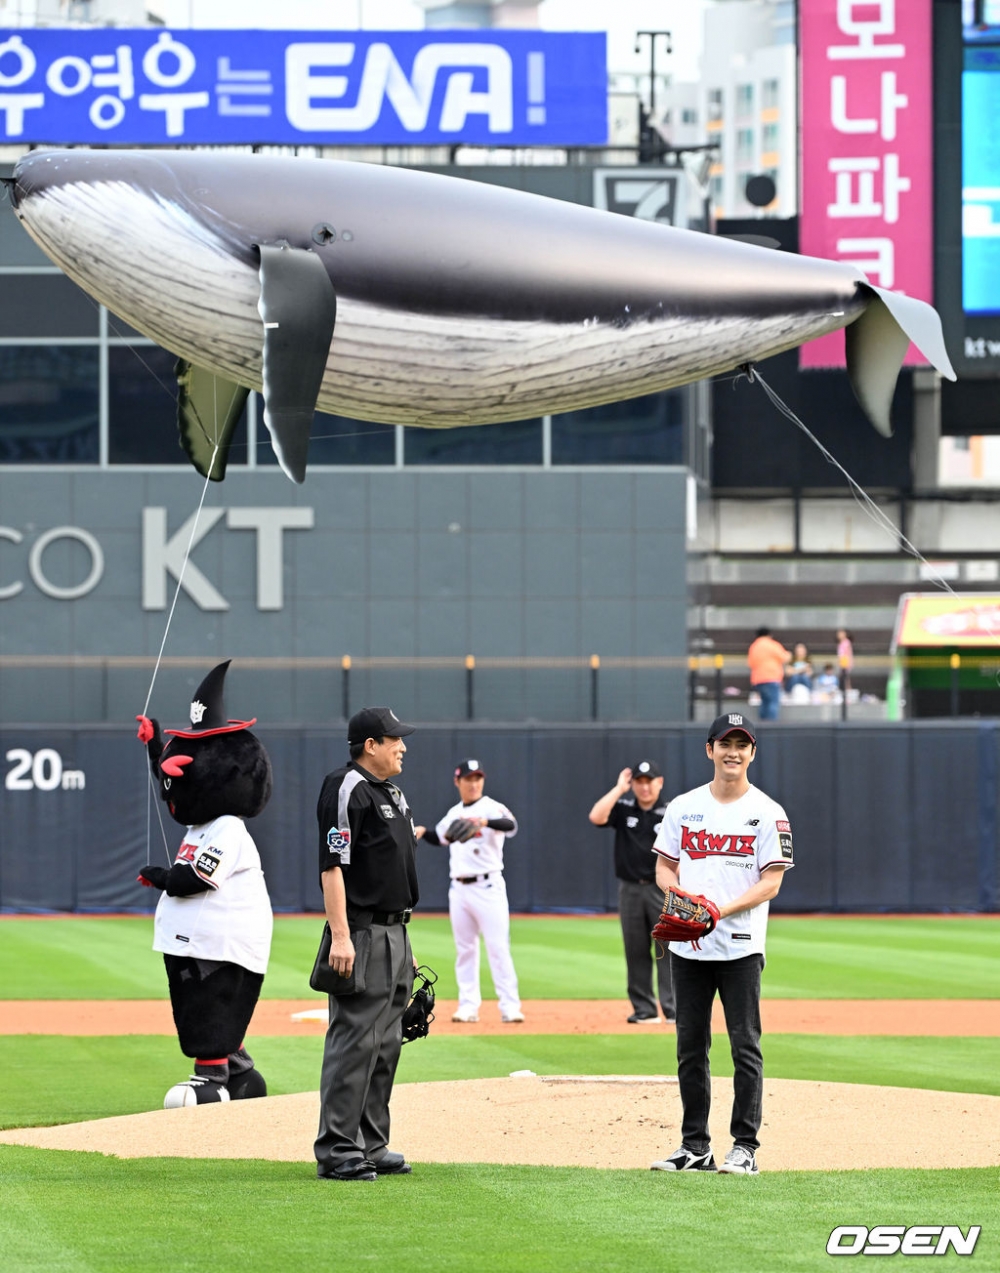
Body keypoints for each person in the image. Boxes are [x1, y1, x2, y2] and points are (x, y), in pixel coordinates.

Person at [649, 712, 793, 1176]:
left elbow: (772, 882)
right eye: (724, 743)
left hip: (741, 947)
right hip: (688, 948)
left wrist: (717, 911)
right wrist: (680, 899)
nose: (733, 751)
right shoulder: (683, 807)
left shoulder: (768, 812)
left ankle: (745, 1147)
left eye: (742, 744)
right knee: (690, 1046)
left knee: (744, 1046)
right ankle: (695, 1147)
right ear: (709, 749)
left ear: (752, 753)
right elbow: (665, 866)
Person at [313, 706, 419, 1183]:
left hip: (396, 931)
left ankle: (372, 1144)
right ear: (369, 744)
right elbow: (332, 865)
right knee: (355, 1041)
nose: (402, 746)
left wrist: (404, 941)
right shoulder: (346, 786)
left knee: (388, 1043)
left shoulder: (391, 791)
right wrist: (340, 935)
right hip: (360, 931)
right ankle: (337, 1149)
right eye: (394, 739)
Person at [415, 759, 524, 1024]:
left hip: (488, 886)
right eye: (468, 778)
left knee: (498, 948)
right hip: (459, 889)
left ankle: (510, 1006)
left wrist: (484, 821)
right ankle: (468, 1006)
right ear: (458, 782)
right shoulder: (453, 813)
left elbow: (511, 826)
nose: (474, 783)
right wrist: (422, 831)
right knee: (465, 950)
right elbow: (441, 837)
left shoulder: (491, 807)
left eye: (478, 778)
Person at [588, 760, 673, 1023]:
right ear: (633, 784)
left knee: (668, 949)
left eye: (649, 781)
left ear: (659, 783)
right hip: (630, 889)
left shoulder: (671, 812)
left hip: (662, 889)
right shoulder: (624, 809)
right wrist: (618, 789)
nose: (644, 787)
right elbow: (596, 817)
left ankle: (675, 1009)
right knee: (635, 949)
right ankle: (645, 1010)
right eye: (639, 782)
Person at [746, 627, 791, 721]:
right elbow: (784, 657)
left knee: (764, 703)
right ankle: (771, 727)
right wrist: (789, 654)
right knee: (773, 703)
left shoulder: (753, 647)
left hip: (758, 680)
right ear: (769, 635)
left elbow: (750, 663)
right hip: (772, 678)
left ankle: (762, 726)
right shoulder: (772, 644)